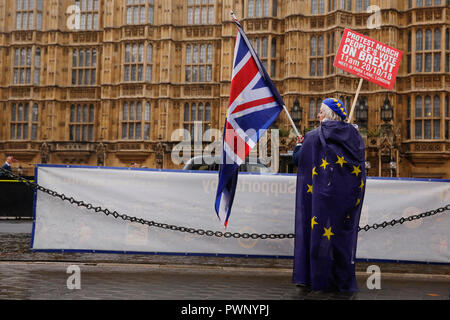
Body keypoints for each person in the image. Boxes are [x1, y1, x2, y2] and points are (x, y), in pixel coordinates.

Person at [292, 98, 366, 293]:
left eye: (320, 112)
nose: (318, 115)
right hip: (346, 196)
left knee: (319, 238)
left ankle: (318, 278)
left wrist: (299, 146)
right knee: (342, 238)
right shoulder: (355, 136)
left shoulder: (314, 135)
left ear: (326, 114)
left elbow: (298, 160)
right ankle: (341, 280)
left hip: (322, 196)